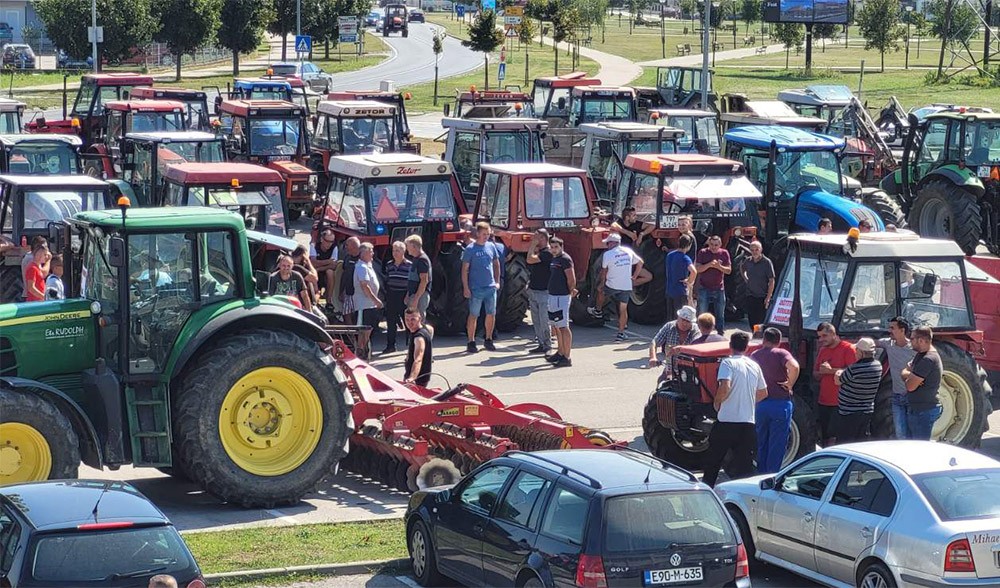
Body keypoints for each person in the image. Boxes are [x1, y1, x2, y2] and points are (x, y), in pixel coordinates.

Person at [702, 331, 768, 487]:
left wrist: (717, 403)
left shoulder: (727, 363)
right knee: (744, 466)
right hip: (747, 422)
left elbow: (725, 386)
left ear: (730, 346)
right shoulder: (754, 365)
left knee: (713, 461)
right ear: (746, 348)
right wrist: (748, 401)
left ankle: (706, 490)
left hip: (727, 421)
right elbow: (763, 392)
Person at [751, 327, 799, 474]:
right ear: (778, 341)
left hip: (761, 403)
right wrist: (790, 383)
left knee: (761, 442)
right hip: (780, 403)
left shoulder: (755, 355)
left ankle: (760, 473)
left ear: (764, 339)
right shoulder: (781, 353)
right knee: (777, 444)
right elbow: (794, 366)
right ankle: (772, 475)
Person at [591, 232, 647, 340]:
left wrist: (601, 284)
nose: (607, 246)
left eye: (608, 243)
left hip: (612, 284)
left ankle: (598, 310)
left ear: (612, 243)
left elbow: (604, 271)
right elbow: (640, 262)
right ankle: (621, 334)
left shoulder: (607, 254)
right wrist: (634, 276)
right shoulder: (629, 251)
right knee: (623, 310)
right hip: (626, 285)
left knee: (601, 291)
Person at [814, 322, 856, 446]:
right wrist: (821, 372)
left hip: (841, 402)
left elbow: (853, 373)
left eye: (824, 336)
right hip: (824, 401)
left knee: (838, 438)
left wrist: (830, 371)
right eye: (819, 336)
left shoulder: (848, 349)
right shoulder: (823, 350)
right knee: (826, 436)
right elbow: (815, 374)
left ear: (833, 334)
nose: (821, 339)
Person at [461, 222, 501, 353]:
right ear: (477, 233)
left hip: (490, 288)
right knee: (474, 314)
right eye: (484, 234)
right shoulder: (470, 249)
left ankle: (488, 339)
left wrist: (497, 281)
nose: (486, 236)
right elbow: (464, 269)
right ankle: (471, 341)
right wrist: (466, 288)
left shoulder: (491, 247)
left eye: (488, 234)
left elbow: (496, 264)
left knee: (491, 314)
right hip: (476, 288)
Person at [834, 337, 882, 443]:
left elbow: (838, 381)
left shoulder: (854, 368)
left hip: (849, 412)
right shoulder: (878, 366)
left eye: (857, 350)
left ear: (861, 352)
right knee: (860, 441)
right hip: (866, 411)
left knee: (845, 442)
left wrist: (838, 372)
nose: (855, 352)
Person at [901, 326, 943, 440]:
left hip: (923, 411)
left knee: (919, 449)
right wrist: (910, 375)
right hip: (918, 410)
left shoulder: (928, 359)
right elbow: (905, 372)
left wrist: (909, 375)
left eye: (912, 338)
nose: (910, 341)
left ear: (921, 340)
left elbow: (910, 386)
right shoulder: (921, 354)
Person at [877, 317, 915, 439]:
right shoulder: (889, 344)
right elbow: (873, 342)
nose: (889, 330)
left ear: (902, 330)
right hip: (897, 396)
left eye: (892, 328)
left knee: (913, 431)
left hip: (912, 397)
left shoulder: (914, 349)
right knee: (900, 433)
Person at [546, 237, 576, 367]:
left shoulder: (565, 259)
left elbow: (571, 278)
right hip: (553, 296)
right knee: (557, 325)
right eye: (552, 247)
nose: (553, 250)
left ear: (561, 247)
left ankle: (567, 356)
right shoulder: (555, 259)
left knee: (563, 326)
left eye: (556, 247)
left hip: (562, 296)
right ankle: (560, 352)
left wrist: (569, 292)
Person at [649, 305, 697, 382]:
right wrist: (653, 357)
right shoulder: (669, 326)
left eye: (688, 321)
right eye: (683, 320)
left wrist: (680, 349)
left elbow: (697, 347)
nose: (684, 323)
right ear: (678, 317)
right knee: (661, 383)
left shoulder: (695, 330)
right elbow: (654, 342)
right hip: (670, 368)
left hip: (688, 370)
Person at [695, 235, 731, 334]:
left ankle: (720, 333)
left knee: (720, 313)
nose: (713, 247)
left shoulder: (724, 253)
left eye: (716, 245)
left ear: (720, 245)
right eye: (711, 244)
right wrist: (709, 265)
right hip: (704, 287)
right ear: (708, 244)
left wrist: (719, 267)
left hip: (719, 288)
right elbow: (697, 269)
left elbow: (728, 271)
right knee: (702, 312)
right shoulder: (703, 252)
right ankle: (700, 333)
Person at [526, 229, 554, 354]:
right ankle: (541, 344)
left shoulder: (547, 253)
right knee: (536, 320)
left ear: (543, 238)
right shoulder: (541, 252)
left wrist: (532, 245)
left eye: (537, 238)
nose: (534, 240)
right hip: (534, 290)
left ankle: (547, 345)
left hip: (544, 292)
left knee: (544, 320)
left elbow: (530, 259)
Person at [353, 242, 383, 357]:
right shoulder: (361, 267)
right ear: (363, 253)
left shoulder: (367, 265)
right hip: (363, 305)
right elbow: (364, 286)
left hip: (369, 305)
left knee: (368, 330)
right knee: (363, 331)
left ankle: (364, 352)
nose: (373, 253)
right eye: (371, 251)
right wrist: (376, 300)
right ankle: (360, 353)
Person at [382, 241, 411, 354]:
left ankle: (410, 346)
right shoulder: (389, 265)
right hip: (392, 295)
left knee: (408, 322)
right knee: (391, 322)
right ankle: (390, 345)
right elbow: (387, 279)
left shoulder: (409, 265)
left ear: (403, 251)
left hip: (404, 296)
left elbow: (411, 282)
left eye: (397, 250)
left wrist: (408, 296)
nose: (395, 253)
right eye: (393, 250)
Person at [742, 241, 774, 328]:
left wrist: (768, 297)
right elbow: (742, 268)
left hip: (762, 297)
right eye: (752, 250)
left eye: (757, 250)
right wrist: (745, 278)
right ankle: (753, 335)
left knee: (760, 322)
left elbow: (771, 280)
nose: (754, 252)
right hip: (750, 295)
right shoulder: (748, 261)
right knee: (751, 320)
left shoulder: (767, 262)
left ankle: (759, 338)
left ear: (761, 250)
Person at [665, 234, 697, 318]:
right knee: (680, 316)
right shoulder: (685, 258)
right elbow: (694, 271)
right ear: (689, 245)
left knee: (670, 317)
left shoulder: (669, 255)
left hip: (669, 289)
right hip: (680, 291)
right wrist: (689, 281)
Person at [310, 228, 339, 312]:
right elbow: (313, 263)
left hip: (323, 270)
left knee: (330, 272)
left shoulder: (334, 248)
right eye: (327, 241)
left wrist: (320, 267)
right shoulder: (314, 246)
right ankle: (314, 300)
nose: (329, 244)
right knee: (312, 273)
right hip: (315, 271)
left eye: (331, 242)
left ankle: (329, 301)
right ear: (322, 239)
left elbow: (334, 265)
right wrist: (328, 261)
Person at [404, 308, 433, 386]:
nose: (409, 322)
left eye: (413, 319)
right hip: (420, 376)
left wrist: (412, 378)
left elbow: (418, 359)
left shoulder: (419, 337)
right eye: (407, 320)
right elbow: (431, 329)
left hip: (418, 379)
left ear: (419, 319)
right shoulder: (423, 329)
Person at [404, 234, 431, 317]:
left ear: (414, 246)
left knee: (418, 319)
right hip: (413, 294)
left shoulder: (422, 260)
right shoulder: (416, 258)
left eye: (408, 246)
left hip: (420, 296)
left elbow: (424, 281)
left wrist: (416, 299)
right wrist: (408, 294)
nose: (406, 248)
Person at [337, 237, 362, 319]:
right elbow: (344, 275)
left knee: (359, 316)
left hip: (360, 294)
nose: (345, 247)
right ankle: (351, 332)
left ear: (354, 246)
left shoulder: (363, 258)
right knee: (346, 313)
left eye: (347, 245)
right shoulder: (347, 258)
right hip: (348, 292)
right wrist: (341, 291)